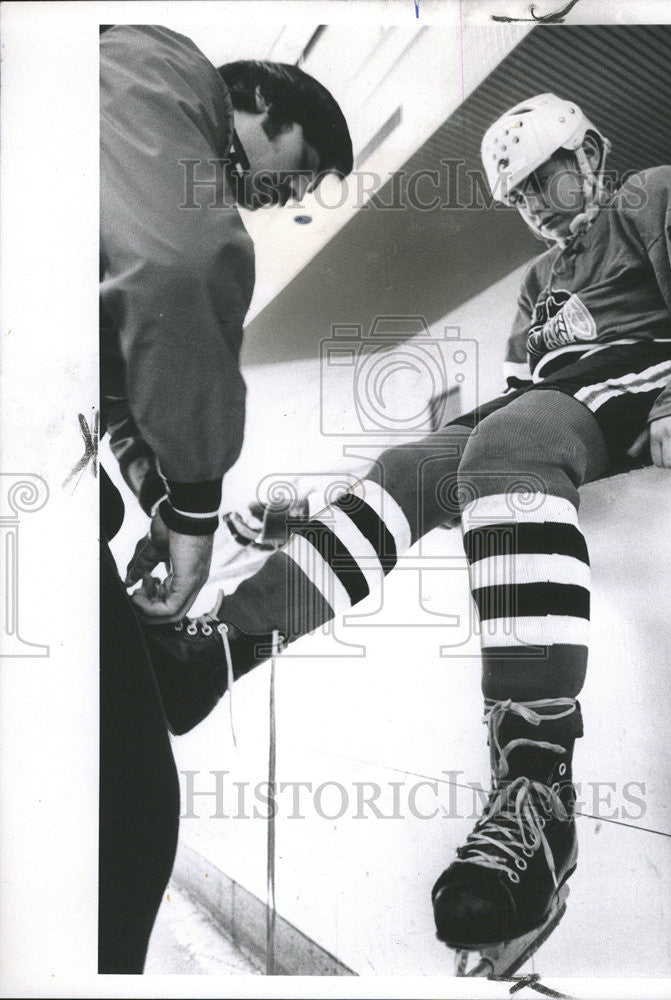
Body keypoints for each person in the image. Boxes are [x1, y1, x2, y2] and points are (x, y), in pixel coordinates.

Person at [142, 93, 671, 967]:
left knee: (507, 441)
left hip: (646, 382)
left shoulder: (659, 190)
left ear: (591, 150)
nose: (538, 205)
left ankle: (537, 785)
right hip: (556, 411)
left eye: (547, 176)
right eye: (518, 196)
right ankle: (220, 650)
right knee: (409, 465)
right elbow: (521, 397)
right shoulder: (538, 283)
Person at [99, 24, 352, 973]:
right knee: (125, 818)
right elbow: (177, 269)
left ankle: (183, 658)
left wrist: (168, 496)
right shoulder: (158, 65)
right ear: (263, 108)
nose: (288, 194)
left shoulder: (111, 150)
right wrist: (197, 509)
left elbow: (118, 387)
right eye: (303, 165)